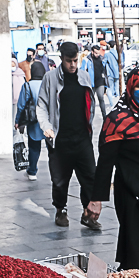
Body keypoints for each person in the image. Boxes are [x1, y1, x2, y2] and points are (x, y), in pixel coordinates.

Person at [87, 65, 139, 269]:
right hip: (133, 197)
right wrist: (96, 199)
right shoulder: (117, 120)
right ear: (131, 88)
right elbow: (105, 163)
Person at [35, 41, 100, 230]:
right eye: (68, 61)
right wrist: (46, 127)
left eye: (75, 61)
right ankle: (60, 209)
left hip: (82, 138)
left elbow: (91, 103)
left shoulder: (85, 76)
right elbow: (42, 105)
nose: (72, 65)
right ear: (61, 59)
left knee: (89, 176)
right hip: (60, 139)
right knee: (60, 179)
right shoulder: (50, 78)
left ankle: (88, 213)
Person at [15, 75, 43, 182]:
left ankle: (32, 171)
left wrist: (18, 121)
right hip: (49, 119)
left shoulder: (28, 85)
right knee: (52, 148)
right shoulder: (49, 83)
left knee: (34, 145)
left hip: (33, 119)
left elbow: (21, 105)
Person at [85, 43, 109, 119]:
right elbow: (83, 71)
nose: (97, 55)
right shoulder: (87, 60)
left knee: (101, 98)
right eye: (95, 53)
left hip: (100, 81)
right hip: (90, 83)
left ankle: (104, 117)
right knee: (91, 101)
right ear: (92, 52)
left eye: (98, 53)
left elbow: (105, 70)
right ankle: (90, 118)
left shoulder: (102, 59)